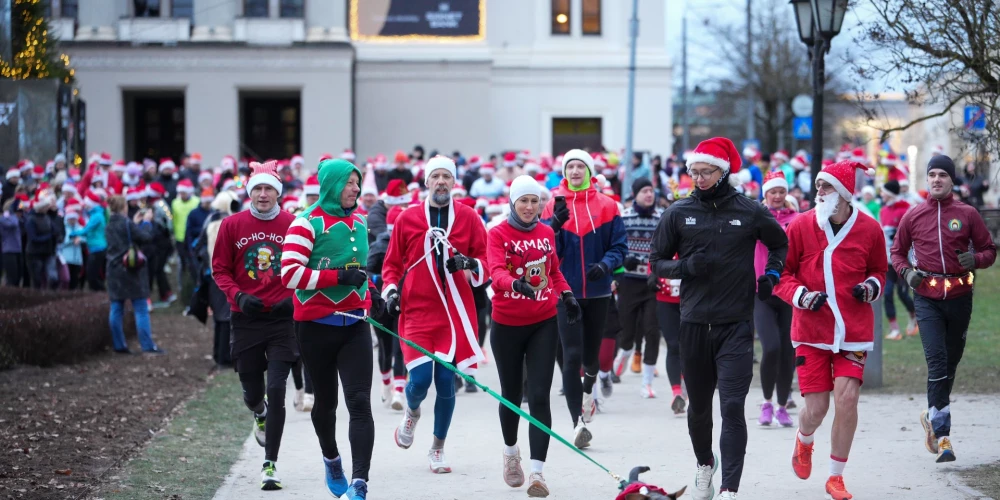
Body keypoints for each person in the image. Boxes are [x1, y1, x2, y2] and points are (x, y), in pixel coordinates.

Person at [649, 137, 788, 500]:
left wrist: (771, 275)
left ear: (723, 170)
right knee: (699, 410)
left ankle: (729, 488)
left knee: (731, 406)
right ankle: (703, 466)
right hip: (693, 323)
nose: (698, 178)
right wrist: (685, 267)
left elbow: (779, 243)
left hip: (736, 325)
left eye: (705, 171)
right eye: (693, 172)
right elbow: (656, 262)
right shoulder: (677, 213)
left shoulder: (749, 210)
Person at [774, 160, 887, 500]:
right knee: (817, 409)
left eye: (825, 188)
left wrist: (871, 286)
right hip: (812, 330)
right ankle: (804, 439)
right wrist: (802, 295)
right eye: (819, 187)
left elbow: (880, 271)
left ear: (843, 194)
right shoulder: (801, 226)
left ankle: (836, 476)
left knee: (848, 398)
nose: (818, 193)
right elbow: (781, 274)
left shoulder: (869, 229)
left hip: (853, 329)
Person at [281, 158, 382, 499]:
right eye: (350, 183)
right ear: (332, 185)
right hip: (315, 328)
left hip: (354, 325)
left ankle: (360, 482)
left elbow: (359, 272)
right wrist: (338, 277)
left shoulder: (360, 220)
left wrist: (374, 294)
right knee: (326, 404)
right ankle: (332, 459)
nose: (357, 189)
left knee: (359, 402)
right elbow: (290, 275)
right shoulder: (305, 223)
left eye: (358, 182)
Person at [381, 155, 489, 474]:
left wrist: (469, 263)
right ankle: (412, 412)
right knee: (419, 380)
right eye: (435, 176)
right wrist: (390, 291)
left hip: (453, 314)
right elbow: (391, 264)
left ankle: (437, 448)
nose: (441, 181)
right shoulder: (408, 217)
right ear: (426, 182)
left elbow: (486, 259)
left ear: (454, 182)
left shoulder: (469, 217)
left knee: (445, 380)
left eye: (446, 176)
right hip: (416, 310)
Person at [890, 155, 996, 464]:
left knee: (950, 366)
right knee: (937, 364)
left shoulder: (968, 213)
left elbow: (990, 250)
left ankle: (931, 415)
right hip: (927, 297)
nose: (936, 179)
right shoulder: (913, 215)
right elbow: (896, 252)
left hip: (961, 297)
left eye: (942, 175)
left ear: (952, 180)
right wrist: (907, 273)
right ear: (927, 179)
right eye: (932, 174)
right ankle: (944, 436)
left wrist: (975, 260)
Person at [487, 175, 582, 497]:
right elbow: (496, 271)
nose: (530, 207)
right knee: (512, 395)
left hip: (543, 321)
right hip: (506, 323)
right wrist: (514, 284)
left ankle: (538, 474)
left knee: (540, 395)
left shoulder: (545, 232)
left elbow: (553, 271)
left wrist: (567, 295)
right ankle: (512, 454)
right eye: (523, 201)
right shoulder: (498, 232)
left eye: (534, 201)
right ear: (513, 202)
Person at [211, 161, 297, 491]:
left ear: (278, 192)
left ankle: (270, 464)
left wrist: (294, 298)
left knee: (277, 389)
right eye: (257, 189)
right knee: (253, 393)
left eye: (269, 189)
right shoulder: (232, 225)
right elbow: (220, 270)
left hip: (281, 320)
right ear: (250, 192)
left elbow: (305, 266)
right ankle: (258, 412)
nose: (263, 194)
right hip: (245, 319)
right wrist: (237, 295)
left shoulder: (293, 223)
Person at [540, 149, 627, 449]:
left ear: (590, 171)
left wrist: (606, 264)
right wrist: (553, 227)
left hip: (599, 291)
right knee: (571, 354)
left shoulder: (608, 206)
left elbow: (619, 246)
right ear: (564, 172)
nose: (575, 171)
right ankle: (578, 423)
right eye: (570, 166)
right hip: (565, 292)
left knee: (591, 358)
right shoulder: (553, 205)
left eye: (580, 166)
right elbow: (542, 248)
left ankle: (590, 387)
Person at [754, 171, 799, 427]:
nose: (778, 196)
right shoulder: (756, 218)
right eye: (773, 192)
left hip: (789, 292)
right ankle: (766, 403)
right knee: (770, 347)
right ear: (766, 194)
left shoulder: (797, 219)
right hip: (762, 292)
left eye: (782, 191)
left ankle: (782, 406)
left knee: (787, 351)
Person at [614, 177, 664, 398]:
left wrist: (659, 269)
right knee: (626, 331)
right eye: (644, 191)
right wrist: (624, 260)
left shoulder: (662, 217)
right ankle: (624, 354)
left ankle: (647, 382)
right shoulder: (624, 217)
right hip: (629, 281)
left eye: (651, 191)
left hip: (653, 282)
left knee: (652, 331)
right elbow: (614, 245)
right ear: (635, 194)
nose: (649, 195)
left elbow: (668, 245)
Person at [103, 195, 163, 354]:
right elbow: (146, 237)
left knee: (116, 308)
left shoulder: (109, 225)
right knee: (141, 309)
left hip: (114, 271)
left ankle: (119, 345)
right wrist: (147, 222)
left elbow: (123, 236)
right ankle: (147, 346)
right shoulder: (127, 224)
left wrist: (135, 223)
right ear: (124, 207)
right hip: (131, 271)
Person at [879, 180, 917, 340]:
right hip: (887, 260)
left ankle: (914, 316)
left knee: (902, 294)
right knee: (887, 294)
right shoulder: (883, 211)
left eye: (883, 192)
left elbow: (912, 233)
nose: (881, 195)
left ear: (889, 194)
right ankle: (894, 329)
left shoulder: (905, 210)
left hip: (903, 260)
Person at [74, 191, 109, 291]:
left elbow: (87, 230)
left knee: (92, 276)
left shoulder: (97, 216)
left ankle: (103, 295)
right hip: (95, 248)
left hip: (98, 248)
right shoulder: (95, 214)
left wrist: (73, 234)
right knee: (93, 275)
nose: (84, 207)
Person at [0, 198, 24, 286]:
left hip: (18, 250)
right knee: (12, 277)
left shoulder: (15, 218)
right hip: (9, 251)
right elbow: (13, 224)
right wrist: (11, 213)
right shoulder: (4, 219)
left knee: (18, 276)